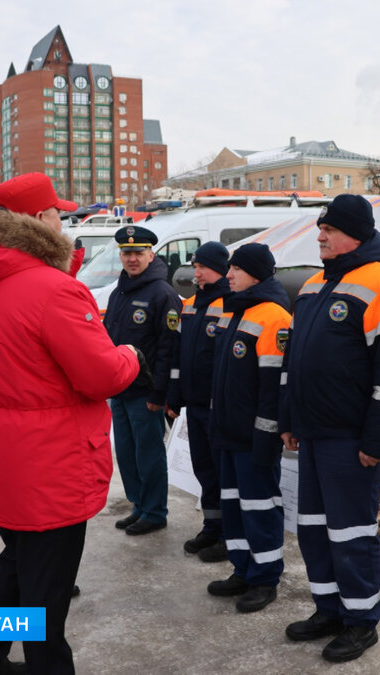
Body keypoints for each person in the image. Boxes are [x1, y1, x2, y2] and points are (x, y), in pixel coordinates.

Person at [0, 173, 140, 674]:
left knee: (14, 566)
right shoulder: (54, 290)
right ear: (38, 221)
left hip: (5, 456)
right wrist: (130, 354)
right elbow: (101, 375)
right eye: (58, 212)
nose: (64, 220)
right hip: (52, 463)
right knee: (46, 594)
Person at [279, 194, 380, 663]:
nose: (320, 236)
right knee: (315, 529)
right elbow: (293, 362)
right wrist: (291, 420)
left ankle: (361, 621)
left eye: (329, 230)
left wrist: (377, 441)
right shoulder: (315, 285)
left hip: (351, 440)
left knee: (352, 532)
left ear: (355, 234)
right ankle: (329, 610)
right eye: (320, 229)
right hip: (313, 434)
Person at [204, 243, 291, 613]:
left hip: (254, 436)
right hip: (228, 432)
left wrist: (266, 436)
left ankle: (265, 577)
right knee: (234, 506)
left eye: (236, 269)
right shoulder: (233, 310)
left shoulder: (274, 316)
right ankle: (242, 569)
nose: (229, 275)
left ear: (255, 273)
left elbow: (273, 386)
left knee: (259, 507)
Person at [103, 225, 182, 536]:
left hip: (145, 392)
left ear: (151, 254)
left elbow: (169, 349)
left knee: (148, 454)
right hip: (120, 389)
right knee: (126, 452)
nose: (132, 259)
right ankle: (138, 505)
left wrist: (159, 393)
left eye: (138, 252)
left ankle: (154, 511)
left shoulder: (163, 294)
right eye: (126, 253)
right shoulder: (119, 291)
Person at [166, 241, 231, 563]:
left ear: (218, 269)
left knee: (222, 473)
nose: (197, 271)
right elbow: (179, 356)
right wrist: (175, 396)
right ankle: (212, 525)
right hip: (194, 404)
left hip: (218, 406)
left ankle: (229, 535)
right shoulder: (190, 305)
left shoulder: (229, 303)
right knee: (204, 470)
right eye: (195, 266)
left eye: (201, 266)